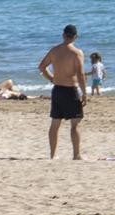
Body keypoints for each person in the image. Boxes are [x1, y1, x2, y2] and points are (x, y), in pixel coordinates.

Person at [38, 24, 87, 160]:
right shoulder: (77, 53)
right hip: (71, 90)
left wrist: (52, 79)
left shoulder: (54, 51)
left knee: (55, 124)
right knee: (75, 124)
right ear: (75, 37)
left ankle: (52, 155)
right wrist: (84, 93)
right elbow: (81, 74)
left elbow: (42, 67)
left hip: (58, 90)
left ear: (63, 35)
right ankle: (76, 155)